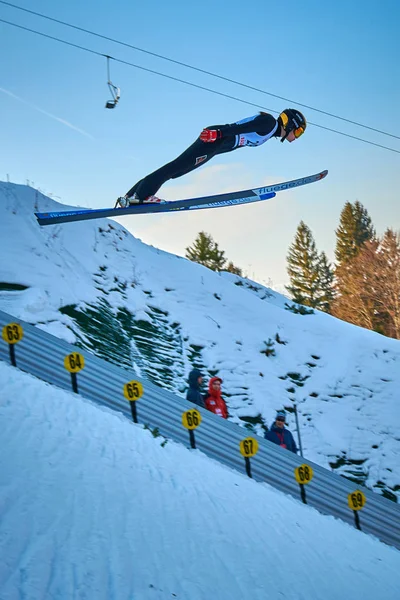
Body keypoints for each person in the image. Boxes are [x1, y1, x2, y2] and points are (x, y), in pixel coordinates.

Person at [115, 108, 307, 207]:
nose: (295, 138)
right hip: (218, 138)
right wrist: (219, 133)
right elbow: (240, 129)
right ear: (291, 124)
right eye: (297, 132)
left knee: (178, 169)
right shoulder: (269, 123)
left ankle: (132, 196)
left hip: (219, 143)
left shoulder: (270, 129)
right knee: (177, 167)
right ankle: (141, 196)